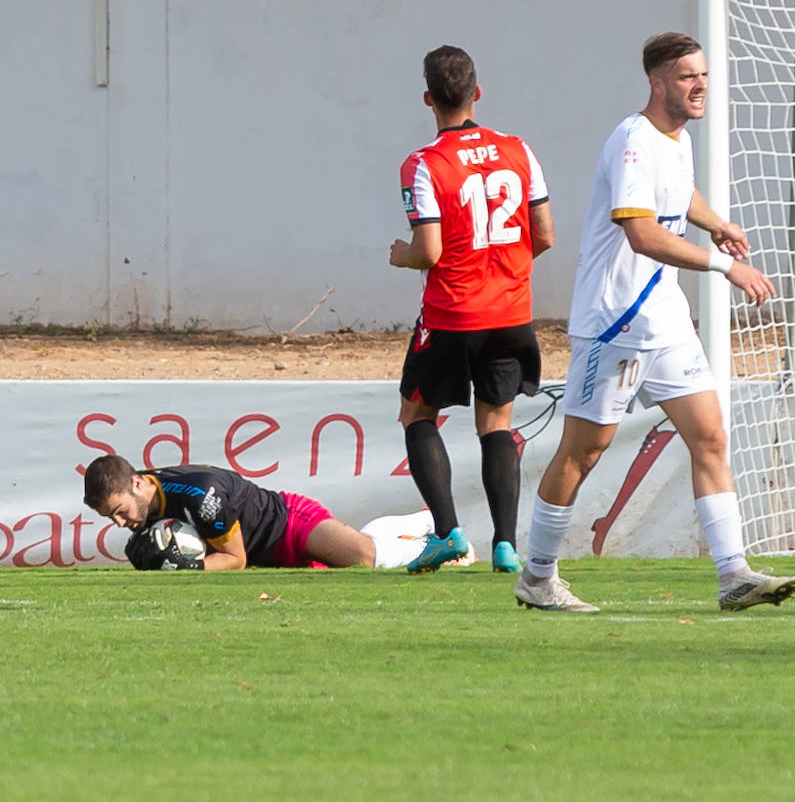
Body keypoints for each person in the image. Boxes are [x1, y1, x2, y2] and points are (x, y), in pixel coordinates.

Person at [513, 32, 795, 613]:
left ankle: (732, 574)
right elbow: (641, 230)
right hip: (614, 320)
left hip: (663, 318)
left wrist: (716, 222)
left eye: (703, 75)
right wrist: (725, 266)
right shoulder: (632, 139)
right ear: (657, 82)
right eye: (687, 77)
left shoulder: (676, 139)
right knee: (583, 452)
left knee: (710, 435)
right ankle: (538, 577)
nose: (700, 86)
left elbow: (678, 192)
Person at [389, 45, 555, 575]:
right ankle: (506, 544)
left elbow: (430, 251)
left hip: (451, 314)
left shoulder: (424, 164)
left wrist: (402, 256)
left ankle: (449, 533)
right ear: (477, 94)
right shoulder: (518, 150)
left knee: (417, 413)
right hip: (510, 312)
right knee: (496, 423)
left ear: (427, 99)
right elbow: (545, 235)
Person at [83, 454, 427, 570]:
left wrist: (189, 567)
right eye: (110, 518)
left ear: (138, 483)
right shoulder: (144, 506)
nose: (120, 523)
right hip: (271, 556)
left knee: (365, 557)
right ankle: (419, 522)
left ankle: (435, 539)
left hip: (288, 524)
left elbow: (235, 559)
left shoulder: (200, 495)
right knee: (359, 549)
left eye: (120, 511)